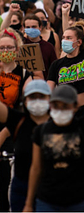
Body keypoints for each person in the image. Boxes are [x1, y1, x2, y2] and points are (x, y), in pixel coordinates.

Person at [24, 64, 84, 212]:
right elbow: (35, 168)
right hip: (47, 201)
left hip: (78, 201)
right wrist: (29, 203)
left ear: (74, 107)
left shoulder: (83, 127)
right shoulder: (41, 131)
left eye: (65, 106)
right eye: (56, 106)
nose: (60, 110)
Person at [0, 80, 50, 213]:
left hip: (50, 187)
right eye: (33, 97)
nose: (37, 101)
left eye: (42, 96)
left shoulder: (58, 122)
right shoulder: (18, 120)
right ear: (25, 101)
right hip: (21, 187)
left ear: (50, 99)